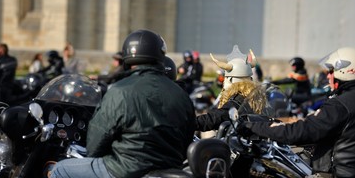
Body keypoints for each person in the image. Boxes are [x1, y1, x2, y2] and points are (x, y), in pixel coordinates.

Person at [50, 29, 196, 178]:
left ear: (127, 56)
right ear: (160, 55)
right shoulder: (181, 94)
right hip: (170, 169)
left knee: (60, 169)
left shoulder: (120, 90)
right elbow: (188, 139)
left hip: (124, 169)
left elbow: (96, 143)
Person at [239, 47, 355, 177]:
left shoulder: (340, 105)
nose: (328, 76)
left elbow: (303, 131)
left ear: (346, 71)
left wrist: (256, 128)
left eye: (331, 71)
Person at [195, 45, 270, 132]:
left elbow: (217, 117)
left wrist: (192, 123)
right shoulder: (258, 97)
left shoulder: (237, 99)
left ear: (231, 79)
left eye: (226, 78)